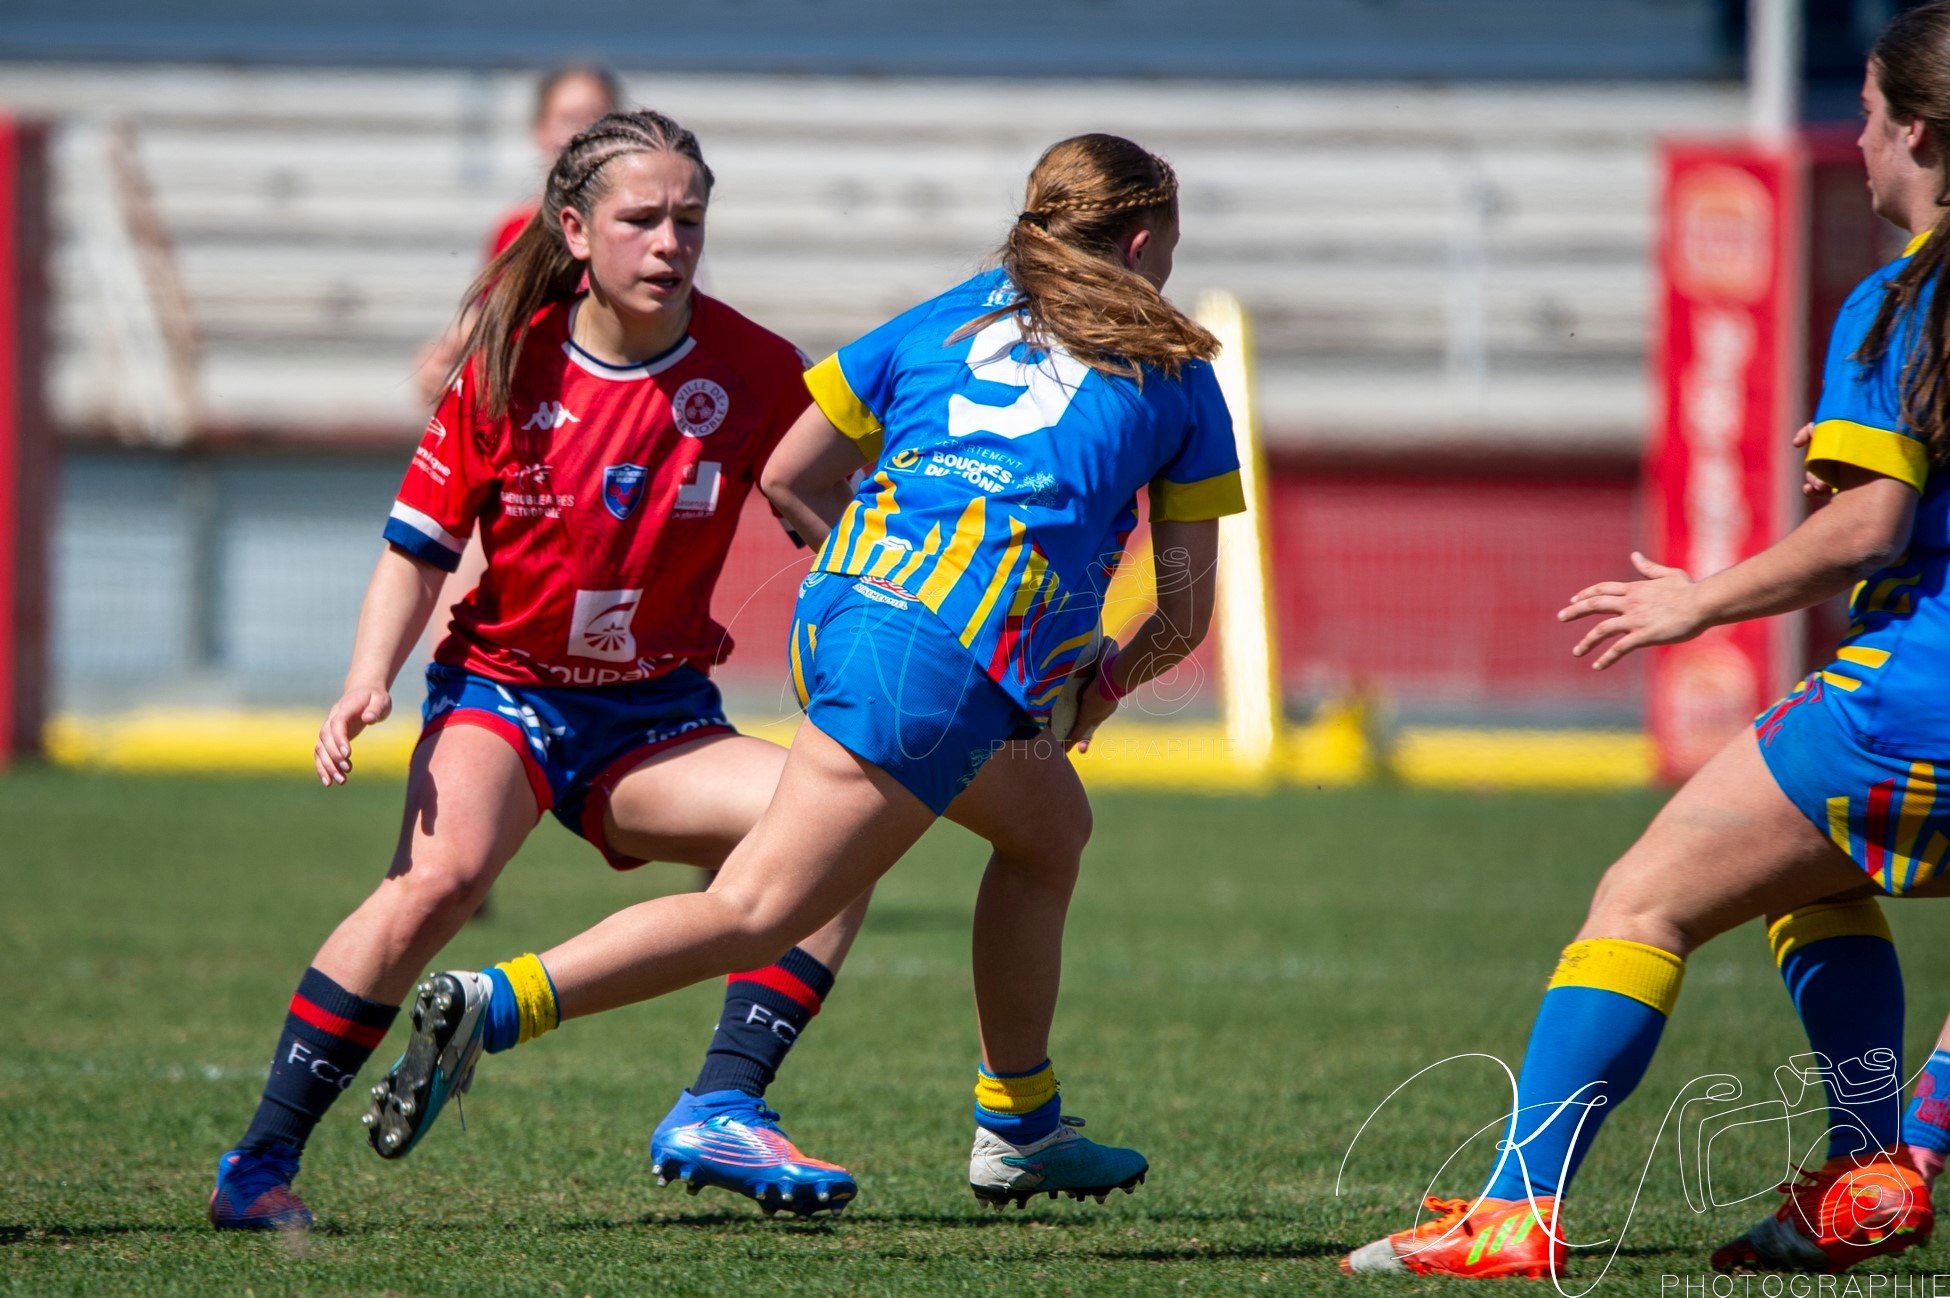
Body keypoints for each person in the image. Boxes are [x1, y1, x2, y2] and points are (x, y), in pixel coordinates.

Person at [356, 132, 1245, 1212]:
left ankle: (1020, 1118)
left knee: (1049, 827)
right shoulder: (1178, 369)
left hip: (850, 616)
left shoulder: (950, 311)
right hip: (936, 663)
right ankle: (496, 1004)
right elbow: (1187, 608)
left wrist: (883, 584)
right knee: (762, 906)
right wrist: (1099, 688)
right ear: (1145, 241)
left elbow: (789, 471)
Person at [1342, 6, 1950, 1277]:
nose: (1855, 142)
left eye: (1869, 117)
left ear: (1920, 133)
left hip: (1921, 696)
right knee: (1809, 876)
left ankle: (1517, 1211)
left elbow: (1872, 529)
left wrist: (1701, 599)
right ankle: (1878, 1161)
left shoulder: (1904, 301)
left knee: (1643, 899)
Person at [209, 109, 873, 1231]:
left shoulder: (757, 368)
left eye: (691, 220)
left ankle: (722, 1101)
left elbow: (835, 497)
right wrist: (368, 677)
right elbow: (416, 549)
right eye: (643, 218)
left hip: (660, 718)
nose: (671, 242)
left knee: (841, 827)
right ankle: (258, 1165)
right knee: (437, 880)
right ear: (574, 228)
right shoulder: (508, 363)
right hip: (504, 692)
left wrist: (853, 568)